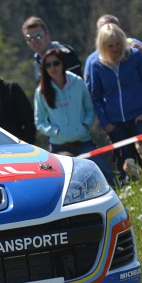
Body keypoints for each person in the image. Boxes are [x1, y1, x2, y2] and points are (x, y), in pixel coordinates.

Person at [33, 48, 116, 186]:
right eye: (48, 65)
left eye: (56, 63)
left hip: (83, 142)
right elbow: (39, 121)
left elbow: (89, 109)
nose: (52, 68)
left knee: (106, 175)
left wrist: (85, 125)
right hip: (58, 146)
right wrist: (55, 132)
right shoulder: (41, 91)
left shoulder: (77, 82)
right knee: (56, 184)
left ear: (63, 64)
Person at [87, 23, 142, 176]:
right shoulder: (95, 65)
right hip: (115, 124)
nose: (115, 48)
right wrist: (105, 122)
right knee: (127, 164)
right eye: (110, 45)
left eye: (118, 44)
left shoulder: (135, 56)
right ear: (103, 46)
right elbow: (97, 97)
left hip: (140, 117)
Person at [84, 15, 142, 83]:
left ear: (120, 29)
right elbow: (91, 87)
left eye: (114, 28)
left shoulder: (135, 49)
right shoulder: (93, 60)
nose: (115, 49)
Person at [22, 16, 81, 82]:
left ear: (47, 33)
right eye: (29, 38)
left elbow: (76, 85)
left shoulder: (65, 55)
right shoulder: (37, 64)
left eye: (38, 36)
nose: (34, 41)